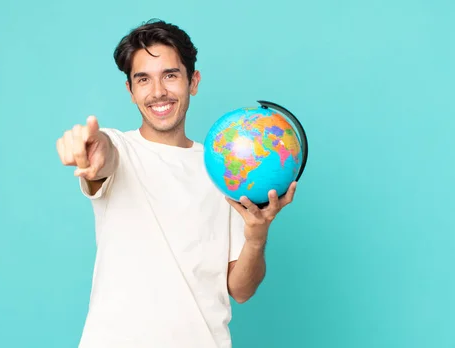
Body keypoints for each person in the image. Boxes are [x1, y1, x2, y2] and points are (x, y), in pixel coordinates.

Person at [56, 19, 297, 348]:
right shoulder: (119, 148)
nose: (158, 92)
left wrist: (256, 237)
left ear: (192, 81)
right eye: (143, 79)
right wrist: (93, 150)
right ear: (130, 91)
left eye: (170, 75)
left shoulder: (223, 169)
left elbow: (241, 290)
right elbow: (105, 156)